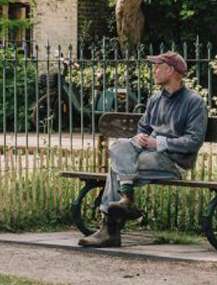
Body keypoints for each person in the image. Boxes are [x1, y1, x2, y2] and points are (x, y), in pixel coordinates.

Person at [79, 50, 208, 249]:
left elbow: (194, 141)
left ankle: (110, 228)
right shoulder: (155, 100)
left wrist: (160, 143)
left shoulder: (194, 102)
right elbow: (143, 128)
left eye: (158, 67)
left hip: (173, 161)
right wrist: (138, 138)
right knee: (119, 148)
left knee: (117, 167)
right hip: (147, 154)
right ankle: (125, 202)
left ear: (171, 70)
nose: (154, 71)